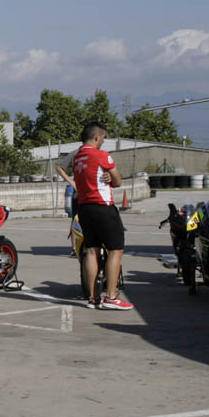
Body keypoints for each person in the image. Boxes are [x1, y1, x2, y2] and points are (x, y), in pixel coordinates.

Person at [74, 122, 133, 310]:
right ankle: (111, 296)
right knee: (115, 250)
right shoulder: (101, 155)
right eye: (103, 138)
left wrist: (106, 176)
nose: (103, 142)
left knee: (92, 250)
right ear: (97, 137)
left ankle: (93, 298)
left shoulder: (78, 157)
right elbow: (118, 181)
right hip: (102, 206)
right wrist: (110, 177)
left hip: (84, 208)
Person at [56, 142, 83, 256]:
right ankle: (74, 248)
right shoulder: (75, 154)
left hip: (93, 194)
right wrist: (72, 182)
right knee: (76, 220)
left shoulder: (97, 153)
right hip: (79, 194)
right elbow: (59, 167)